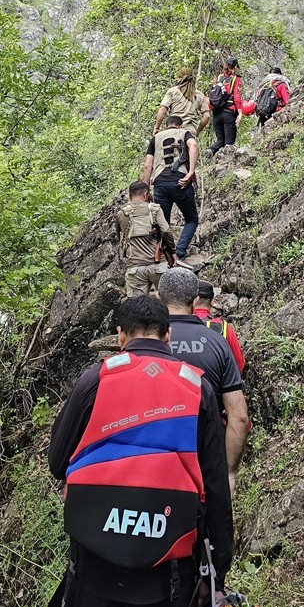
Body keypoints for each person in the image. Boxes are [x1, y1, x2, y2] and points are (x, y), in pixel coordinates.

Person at [46, 295, 233, 607]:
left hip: (93, 569)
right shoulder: (198, 389)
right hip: (167, 579)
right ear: (168, 336)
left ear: (120, 337)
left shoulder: (94, 381)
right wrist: (216, 576)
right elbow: (215, 493)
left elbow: (57, 461)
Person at [158, 267, 249, 494]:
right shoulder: (220, 335)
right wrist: (229, 472)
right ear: (196, 299)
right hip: (208, 441)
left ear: (158, 297)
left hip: (157, 447)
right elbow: (240, 416)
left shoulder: (148, 339)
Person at [141, 115, 199, 265]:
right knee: (191, 219)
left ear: (166, 125)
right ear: (179, 125)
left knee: (163, 223)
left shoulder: (156, 138)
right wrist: (191, 171)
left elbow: (148, 165)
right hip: (181, 180)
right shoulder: (184, 133)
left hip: (160, 182)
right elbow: (193, 146)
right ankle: (179, 253)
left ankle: (165, 256)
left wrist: (145, 189)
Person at [116, 180, 175, 296]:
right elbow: (166, 231)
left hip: (135, 267)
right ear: (145, 194)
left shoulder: (121, 214)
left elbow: (120, 238)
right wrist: (173, 252)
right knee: (169, 302)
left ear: (129, 195)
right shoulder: (155, 210)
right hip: (158, 265)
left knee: (137, 307)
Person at [193, 281, 246, 375]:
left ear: (193, 300)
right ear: (213, 301)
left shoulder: (175, 326)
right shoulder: (224, 327)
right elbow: (239, 364)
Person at [207, 56, 254, 155]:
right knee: (229, 144)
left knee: (220, 140)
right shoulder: (236, 79)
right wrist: (240, 113)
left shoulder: (219, 78)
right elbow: (237, 98)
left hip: (216, 114)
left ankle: (210, 150)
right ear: (235, 67)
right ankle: (226, 166)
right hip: (228, 114)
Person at [152, 68, 211, 137]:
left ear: (180, 78)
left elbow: (162, 109)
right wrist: (198, 131)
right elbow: (207, 116)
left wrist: (156, 127)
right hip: (189, 131)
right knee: (192, 146)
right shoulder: (199, 95)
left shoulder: (172, 91)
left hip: (173, 128)